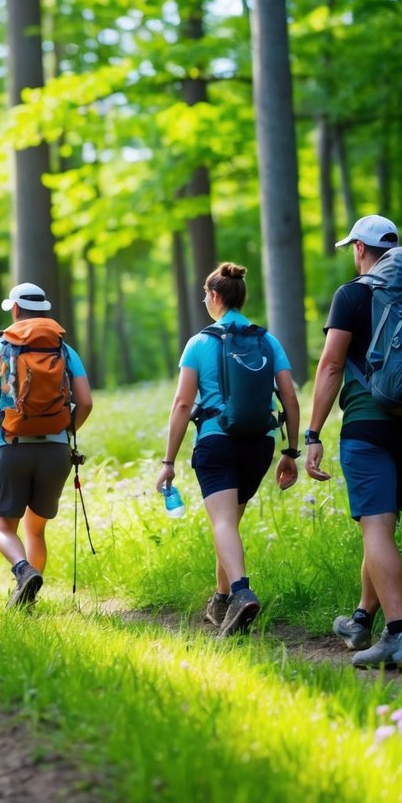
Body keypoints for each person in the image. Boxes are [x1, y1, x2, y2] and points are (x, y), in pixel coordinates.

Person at [305, 214, 402, 671]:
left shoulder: (353, 294)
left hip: (368, 428)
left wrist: (312, 435)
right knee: (382, 529)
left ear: (359, 249)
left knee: (375, 530)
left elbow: (331, 366)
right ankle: (360, 620)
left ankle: (398, 635)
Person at [154, 263, 300, 637]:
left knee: (222, 523)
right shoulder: (267, 340)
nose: (204, 300)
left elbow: (182, 406)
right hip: (260, 444)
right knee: (230, 524)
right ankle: (221, 601)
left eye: (206, 295)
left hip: (217, 442)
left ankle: (240, 592)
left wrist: (168, 461)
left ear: (215, 296)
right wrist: (291, 451)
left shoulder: (200, 343)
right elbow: (290, 399)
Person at [0, 282, 92, 608]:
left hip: (10, 448)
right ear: (44, 310)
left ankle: (23, 571)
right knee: (35, 531)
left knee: (1, 528)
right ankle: (26, 602)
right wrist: (64, 432)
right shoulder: (64, 350)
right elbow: (85, 402)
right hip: (55, 453)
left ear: (14, 309)